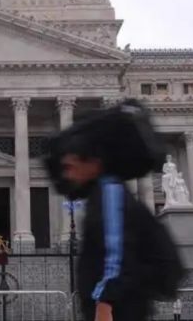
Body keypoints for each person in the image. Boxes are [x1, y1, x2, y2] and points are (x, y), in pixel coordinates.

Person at [60, 132, 179, 321]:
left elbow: (117, 256)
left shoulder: (110, 192)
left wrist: (104, 303)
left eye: (71, 164)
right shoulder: (99, 194)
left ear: (91, 162)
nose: (67, 172)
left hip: (118, 307)